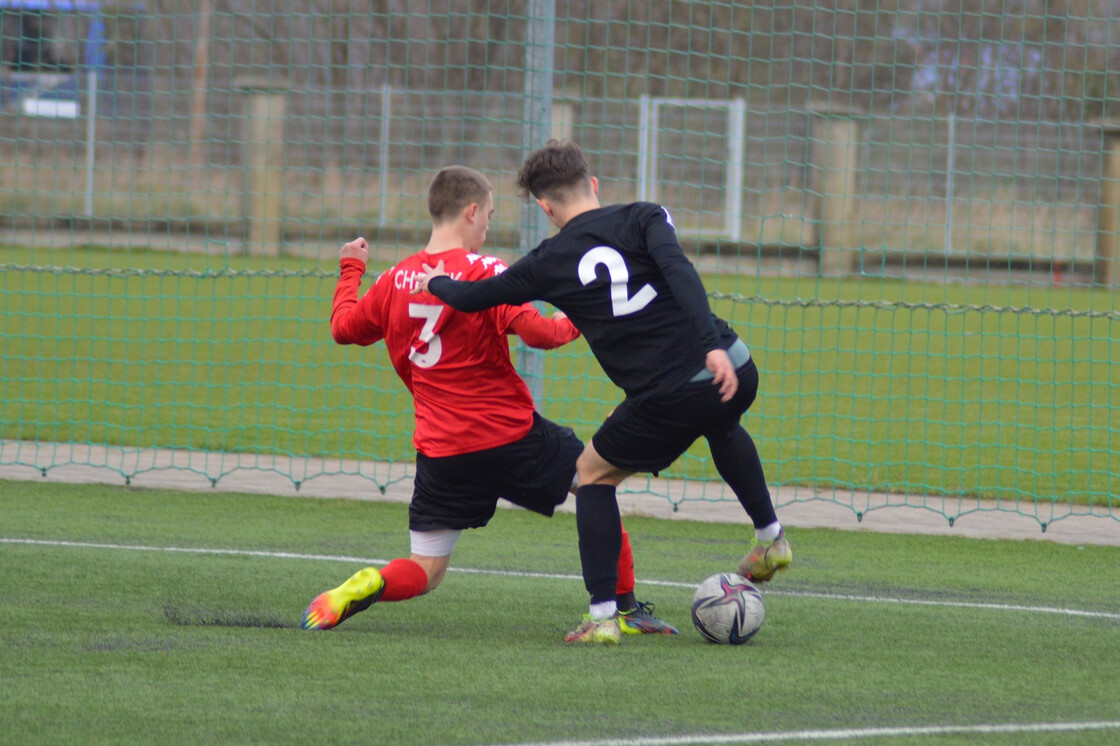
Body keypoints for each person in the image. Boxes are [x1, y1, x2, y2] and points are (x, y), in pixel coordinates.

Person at [415, 141, 792, 644]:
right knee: (721, 422)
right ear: (592, 185)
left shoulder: (547, 260)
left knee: (590, 474)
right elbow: (679, 271)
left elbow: (471, 297)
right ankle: (770, 538)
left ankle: (602, 618)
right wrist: (712, 345)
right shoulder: (646, 215)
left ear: (546, 209)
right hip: (734, 366)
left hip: (669, 392)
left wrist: (440, 282)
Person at [302, 165, 677, 641]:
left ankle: (370, 581)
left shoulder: (393, 281)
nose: (488, 227)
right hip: (510, 436)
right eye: (489, 216)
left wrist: (351, 268)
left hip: (441, 453)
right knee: (594, 480)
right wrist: (581, 315)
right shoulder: (485, 273)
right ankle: (623, 607)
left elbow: (343, 329)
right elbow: (543, 335)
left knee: (426, 569)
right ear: (471, 212)